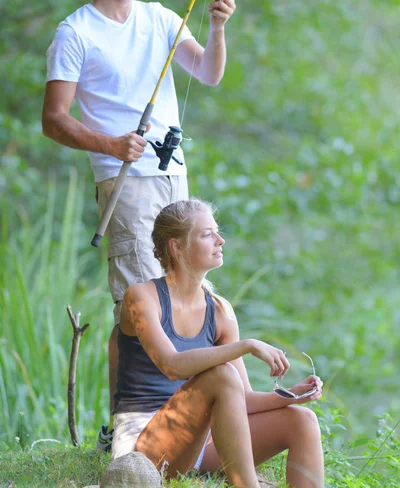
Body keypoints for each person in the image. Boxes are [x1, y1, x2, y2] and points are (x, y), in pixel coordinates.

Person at [42, 0, 236, 449]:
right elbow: (54, 119)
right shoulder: (75, 32)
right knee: (139, 303)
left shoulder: (161, 19)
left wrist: (218, 27)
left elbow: (210, 73)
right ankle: (129, 431)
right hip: (124, 185)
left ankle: (190, 423)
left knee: (189, 293)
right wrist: (110, 144)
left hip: (174, 178)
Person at [113, 198, 325, 488]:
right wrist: (247, 345)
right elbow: (172, 366)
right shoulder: (142, 297)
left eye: (217, 232)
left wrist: (290, 396)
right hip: (145, 444)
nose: (220, 240)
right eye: (206, 234)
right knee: (222, 373)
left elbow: (241, 399)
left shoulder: (219, 311)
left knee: (302, 421)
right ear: (176, 246)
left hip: (204, 441)